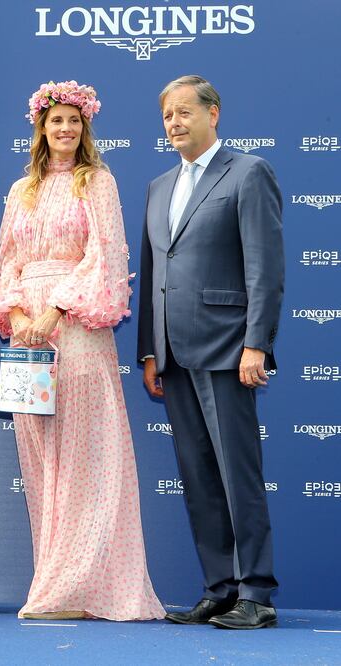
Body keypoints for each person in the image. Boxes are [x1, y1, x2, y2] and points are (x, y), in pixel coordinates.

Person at [0, 81, 164, 621]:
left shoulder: (97, 182)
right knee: (40, 458)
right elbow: (6, 262)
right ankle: (57, 583)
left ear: (85, 129)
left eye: (74, 122)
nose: (65, 130)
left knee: (85, 454)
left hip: (76, 325)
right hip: (26, 333)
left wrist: (53, 312)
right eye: (56, 120)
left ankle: (82, 585)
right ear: (40, 126)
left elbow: (103, 256)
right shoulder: (22, 190)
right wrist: (18, 317)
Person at [138, 75, 284, 630]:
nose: (174, 123)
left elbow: (264, 267)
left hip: (228, 349)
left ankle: (257, 592)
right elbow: (154, 275)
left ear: (213, 113)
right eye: (166, 116)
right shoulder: (158, 186)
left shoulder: (248, 172)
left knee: (236, 473)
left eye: (183, 112)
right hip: (172, 355)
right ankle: (219, 588)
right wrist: (150, 352)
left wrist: (256, 344)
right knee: (197, 476)